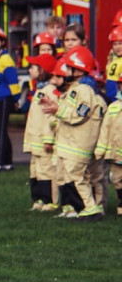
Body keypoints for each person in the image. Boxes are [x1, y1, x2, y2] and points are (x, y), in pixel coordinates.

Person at [40, 46, 105, 222]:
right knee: (73, 177)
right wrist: (55, 109)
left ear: (78, 70)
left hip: (77, 146)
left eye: (68, 68)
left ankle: (90, 208)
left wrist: (57, 109)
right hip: (69, 144)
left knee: (77, 177)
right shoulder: (75, 89)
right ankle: (81, 208)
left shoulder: (84, 91)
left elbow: (80, 114)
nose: (65, 71)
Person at [21, 54, 60, 211]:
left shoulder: (50, 92)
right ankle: (38, 199)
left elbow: (50, 118)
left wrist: (48, 139)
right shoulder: (40, 90)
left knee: (46, 171)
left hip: (44, 141)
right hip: (35, 141)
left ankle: (49, 199)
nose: (29, 70)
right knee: (35, 171)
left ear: (42, 70)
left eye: (33, 67)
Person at [0, 25, 21, 172]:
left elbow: (12, 80)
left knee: (1, 131)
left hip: (3, 98)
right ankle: (6, 162)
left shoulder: (5, 59)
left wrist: (16, 98)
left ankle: (0, 163)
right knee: (1, 131)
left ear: (2, 42)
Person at [94, 75, 122, 216]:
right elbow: (105, 130)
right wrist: (101, 149)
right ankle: (121, 203)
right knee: (117, 179)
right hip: (115, 153)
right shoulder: (113, 107)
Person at [104, 25, 122, 102]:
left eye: (120, 43)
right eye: (114, 44)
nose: (117, 47)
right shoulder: (114, 62)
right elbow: (111, 87)